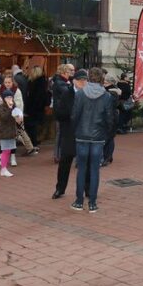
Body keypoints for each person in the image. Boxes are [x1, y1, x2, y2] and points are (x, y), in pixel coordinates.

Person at [70, 67, 116, 213]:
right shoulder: (107, 96)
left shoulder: (80, 94)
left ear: (89, 77)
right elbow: (110, 118)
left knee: (82, 169)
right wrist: (107, 134)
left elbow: (74, 115)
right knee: (95, 170)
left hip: (82, 135)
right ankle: (92, 203)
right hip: (98, 137)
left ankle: (78, 201)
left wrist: (75, 130)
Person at [53, 69, 87, 199]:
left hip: (84, 133)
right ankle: (60, 188)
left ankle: (88, 189)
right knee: (65, 161)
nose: (83, 83)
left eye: (85, 80)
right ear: (74, 81)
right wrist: (72, 114)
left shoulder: (88, 94)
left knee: (86, 162)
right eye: (80, 80)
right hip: (69, 131)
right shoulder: (67, 93)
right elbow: (59, 113)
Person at [51, 63, 75, 162]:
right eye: (69, 71)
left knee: (61, 133)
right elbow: (67, 93)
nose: (71, 73)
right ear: (64, 72)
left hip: (61, 110)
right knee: (60, 133)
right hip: (61, 111)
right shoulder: (60, 82)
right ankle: (58, 155)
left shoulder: (63, 82)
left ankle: (59, 154)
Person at [0, 90, 21, 177]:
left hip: (12, 132)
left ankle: (4, 168)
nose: (9, 99)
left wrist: (19, 117)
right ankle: (3, 169)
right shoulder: (2, 107)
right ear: (4, 98)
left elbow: (17, 118)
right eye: (7, 97)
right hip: (5, 132)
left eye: (11, 97)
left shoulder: (14, 106)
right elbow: (4, 118)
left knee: (9, 150)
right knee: (5, 151)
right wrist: (10, 109)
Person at [25, 65, 50, 148]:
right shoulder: (41, 83)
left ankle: (33, 143)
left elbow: (36, 98)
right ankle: (34, 142)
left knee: (32, 126)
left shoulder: (36, 83)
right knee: (33, 126)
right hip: (37, 109)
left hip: (34, 109)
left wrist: (30, 108)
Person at [101, 73, 121, 166]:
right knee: (110, 137)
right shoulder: (113, 91)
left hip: (111, 117)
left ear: (109, 82)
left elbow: (109, 106)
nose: (103, 83)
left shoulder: (110, 92)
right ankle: (108, 156)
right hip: (113, 116)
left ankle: (107, 157)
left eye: (105, 82)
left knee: (108, 138)